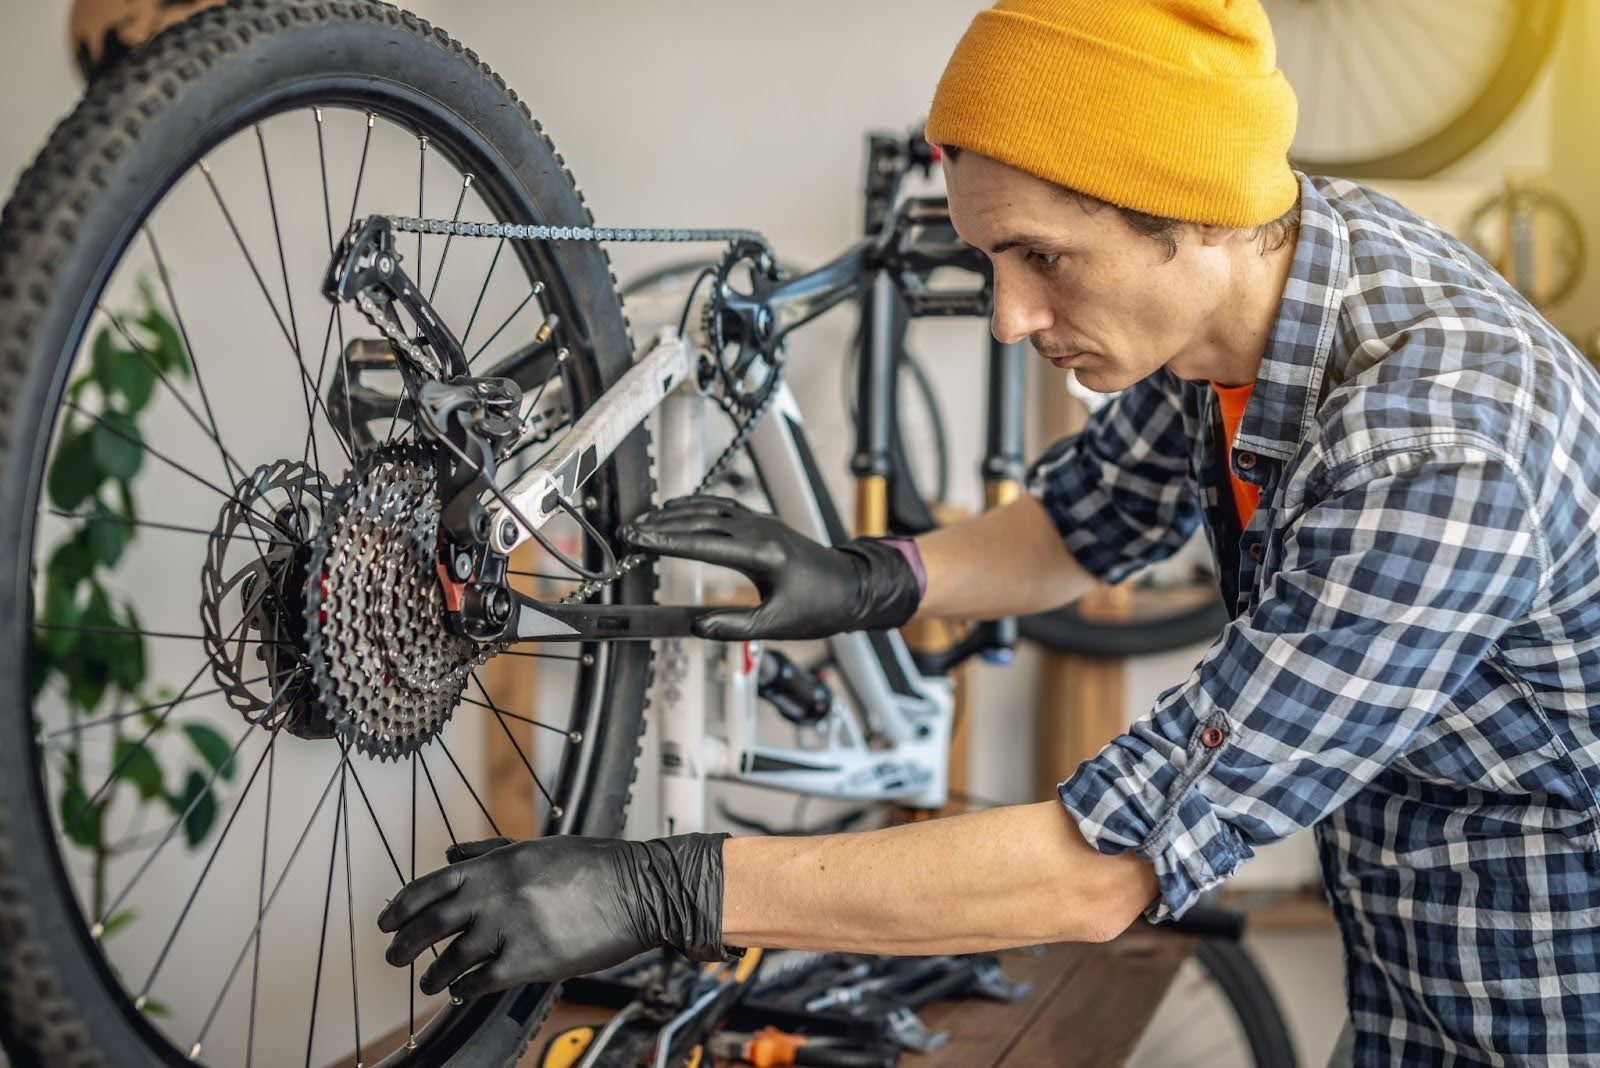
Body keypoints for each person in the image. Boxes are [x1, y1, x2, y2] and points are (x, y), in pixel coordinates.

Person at [376, 2, 1600, 1062]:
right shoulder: (1257, 298)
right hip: (1413, 990)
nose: (1010, 318)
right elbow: (1082, 524)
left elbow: (1099, 867)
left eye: (1043, 259)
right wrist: (868, 578)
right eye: (988, 260)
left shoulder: (1439, 451)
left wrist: (661, 888)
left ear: (1196, 215)